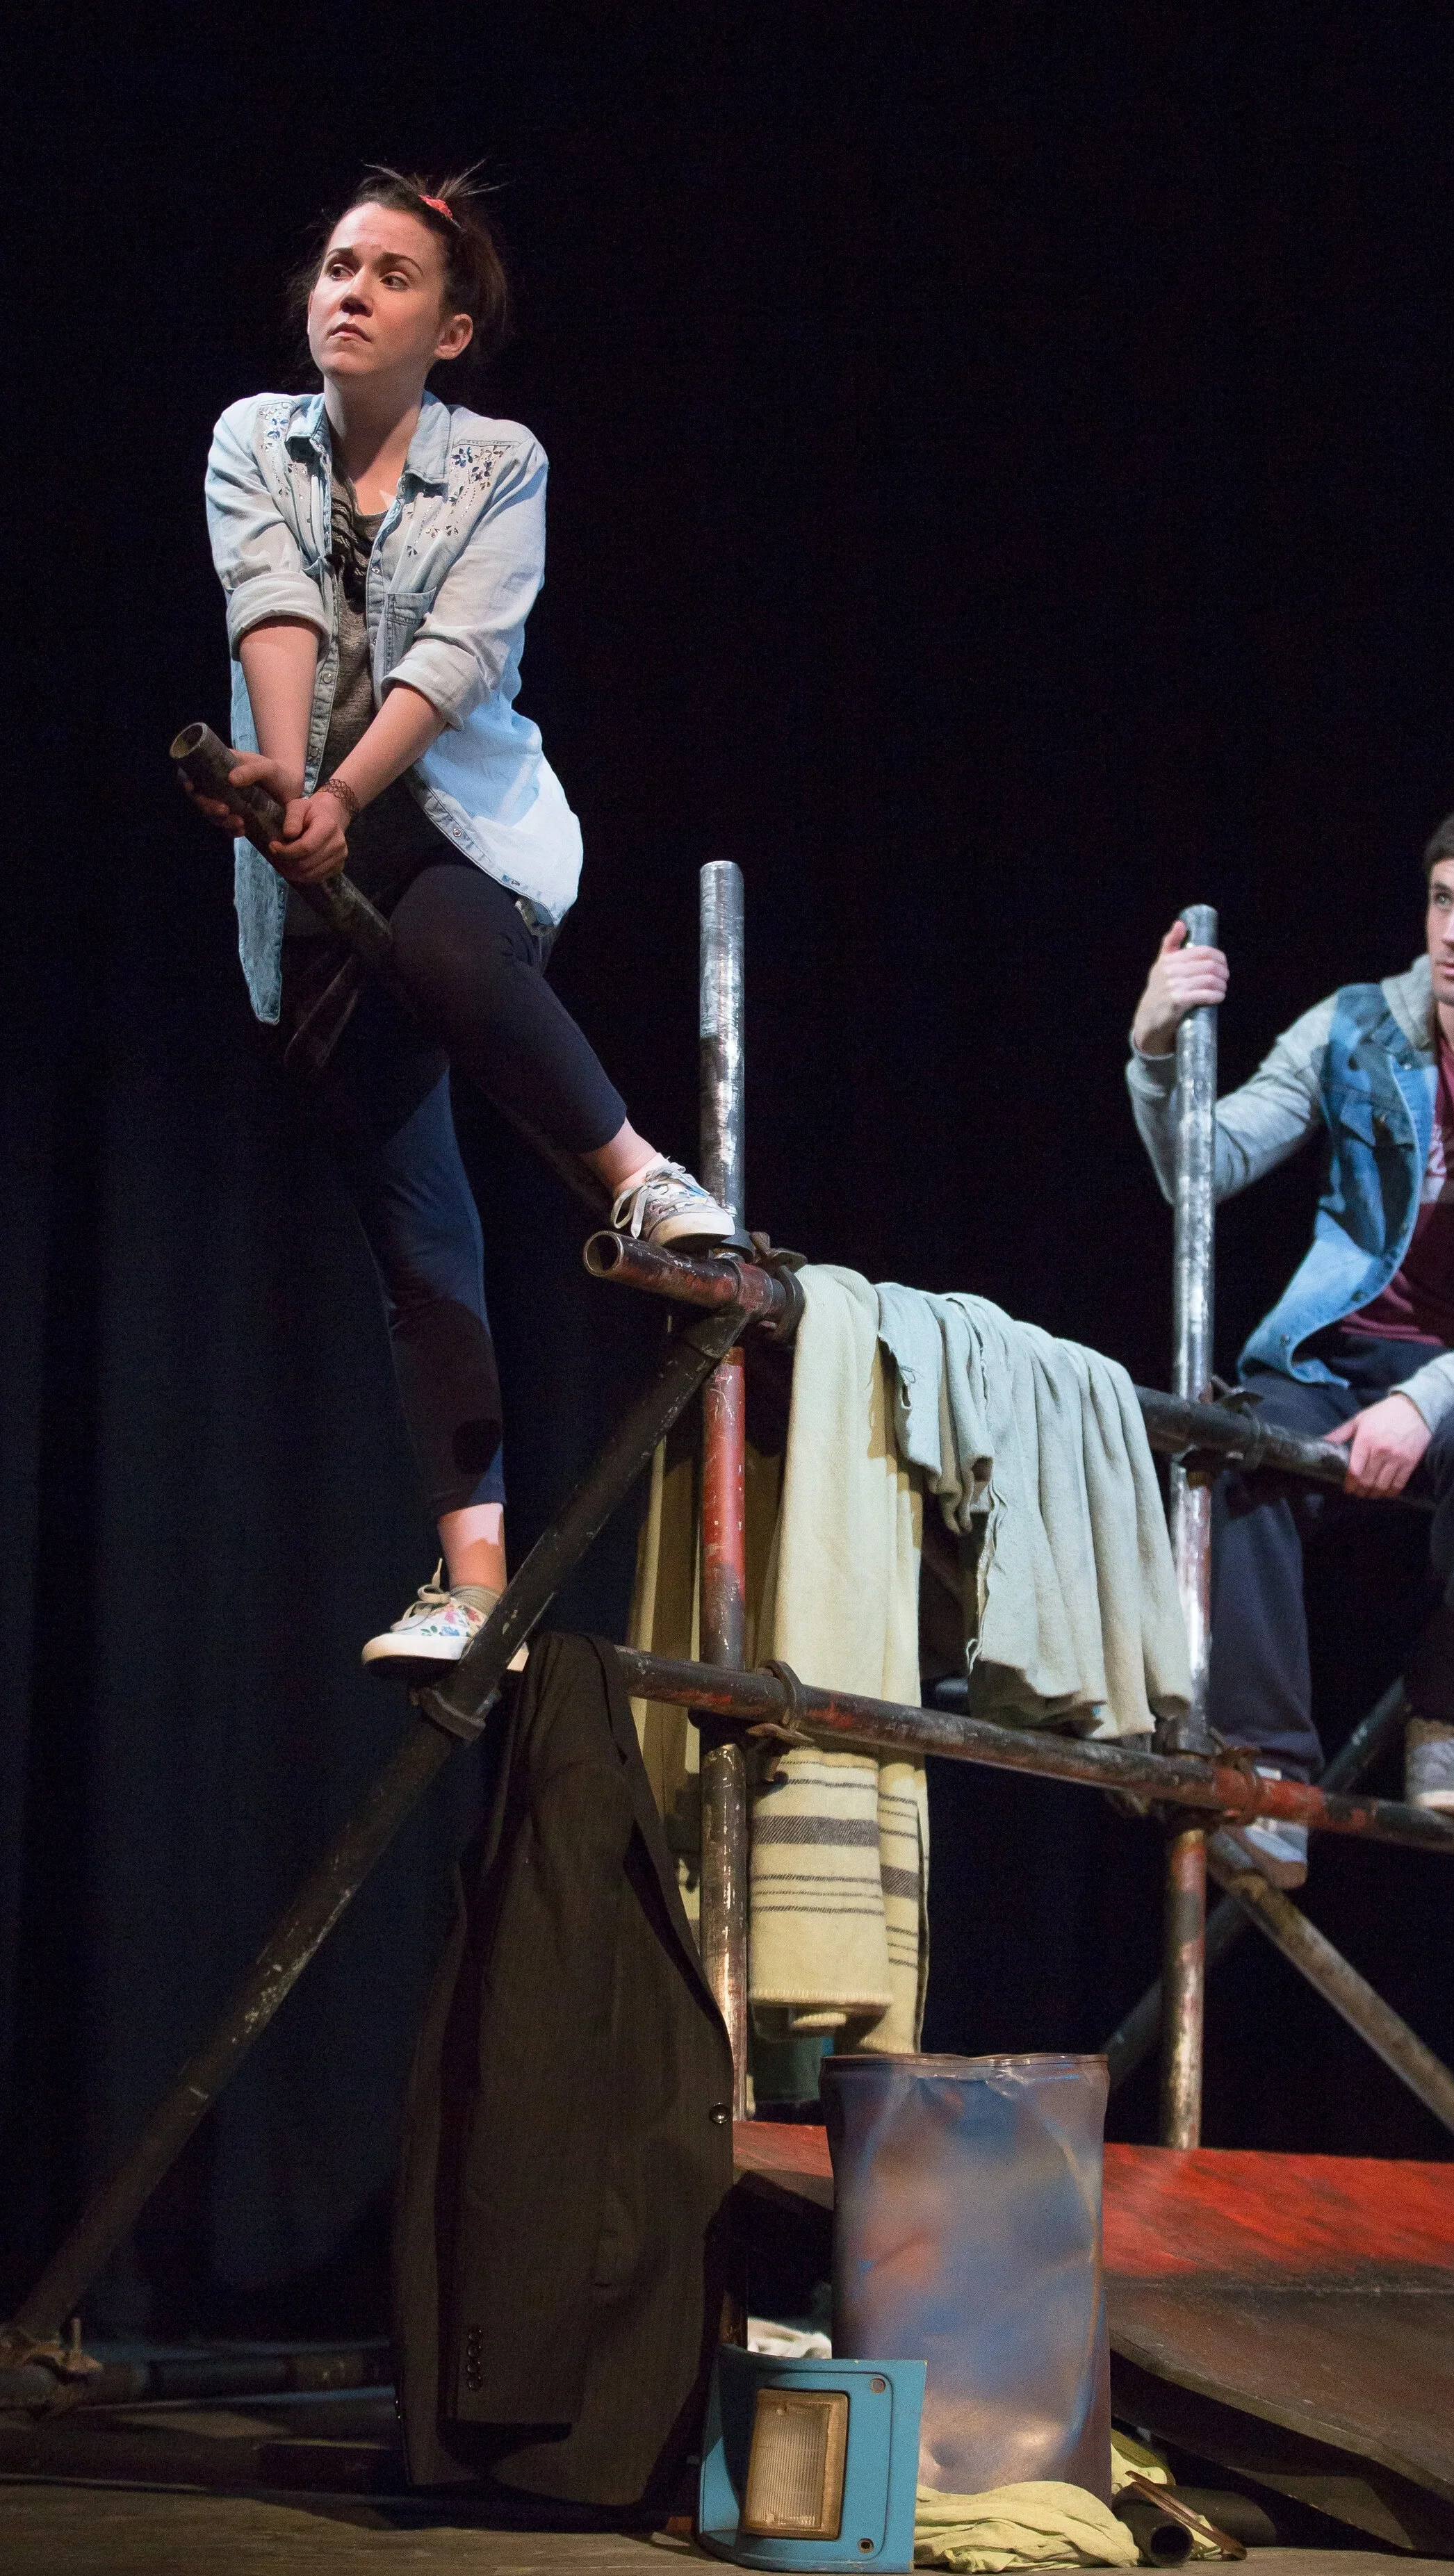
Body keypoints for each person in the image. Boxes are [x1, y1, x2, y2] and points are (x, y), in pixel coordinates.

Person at [194, 168, 733, 1679]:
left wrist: (337, 794)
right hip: (308, 862)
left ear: (450, 327)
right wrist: (288, 799)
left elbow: (460, 654)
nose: (350, 293)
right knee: (414, 1227)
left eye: (391, 275)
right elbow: (271, 600)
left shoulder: (499, 460)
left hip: (463, 831)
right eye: (337, 266)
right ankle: (475, 1582)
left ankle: (636, 1176)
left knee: (442, 948)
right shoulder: (253, 438)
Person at [1127, 792, 1454, 1885]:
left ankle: (1447, 1708)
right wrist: (1156, 1050)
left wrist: (1428, 1399)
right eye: (1441, 900)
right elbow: (1200, 1171)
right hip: (1338, 1354)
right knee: (1234, 1446)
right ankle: (1268, 1774)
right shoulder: (1355, 1026)